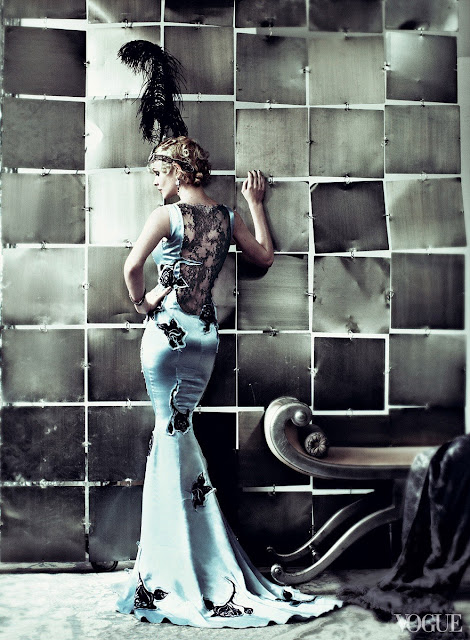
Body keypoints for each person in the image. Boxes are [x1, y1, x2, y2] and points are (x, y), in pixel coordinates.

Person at [115, 135, 342, 627]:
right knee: (178, 433)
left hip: (167, 336)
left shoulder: (166, 217)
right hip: (203, 340)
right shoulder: (226, 218)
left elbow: (132, 268)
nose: (154, 183)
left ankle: (174, 566)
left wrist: (143, 302)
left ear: (178, 172)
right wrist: (256, 204)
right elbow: (264, 257)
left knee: (169, 433)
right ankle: (188, 555)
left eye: (157, 173)